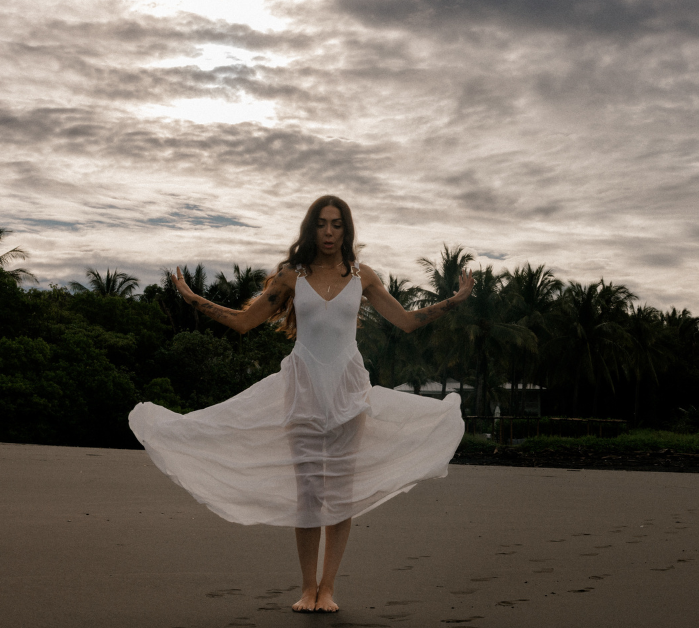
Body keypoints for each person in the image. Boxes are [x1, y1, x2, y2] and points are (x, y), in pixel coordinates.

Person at [129, 195, 473, 613]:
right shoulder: (292, 276)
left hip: (347, 390)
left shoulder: (362, 276)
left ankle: (328, 589)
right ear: (311, 229)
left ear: (346, 230)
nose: (329, 232)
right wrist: (191, 297)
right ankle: (307, 588)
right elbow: (244, 321)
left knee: (341, 491)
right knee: (308, 491)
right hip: (304, 387)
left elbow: (405, 321)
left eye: (337, 224)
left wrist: (455, 299)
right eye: (322, 224)